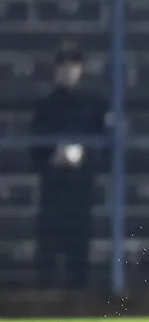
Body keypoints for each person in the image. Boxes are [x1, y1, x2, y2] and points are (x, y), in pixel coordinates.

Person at [29, 47, 108, 290]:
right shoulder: (46, 106)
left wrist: (83, 155)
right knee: (49, 242)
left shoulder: (94, 105)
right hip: (53, 183)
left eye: (73, 65)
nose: (68, 71)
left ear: (80, 69)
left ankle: (79, 294)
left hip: (81, 184)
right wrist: (53, 157)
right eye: (63, 66)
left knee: (79, 241)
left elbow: (105, 142)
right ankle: (44, 295)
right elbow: (35, 145)